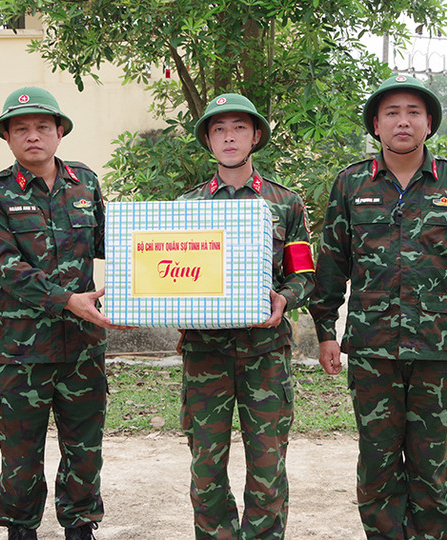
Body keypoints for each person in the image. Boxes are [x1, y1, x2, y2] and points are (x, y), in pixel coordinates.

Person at [308, 74, 447, 539]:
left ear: (429, 122)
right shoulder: (350, 183)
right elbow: (331, 262)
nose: (403, 121)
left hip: (438, 348)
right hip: (373, 350)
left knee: (431, 465)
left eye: (413, 112)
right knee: (377, 464)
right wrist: (326, 331)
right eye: (391, 113)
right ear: (376, 124)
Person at [0, 87, 115, 540]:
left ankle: (80, 527)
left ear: (58, 132)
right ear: (8, 138)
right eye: (21, 129)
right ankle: (20, 530)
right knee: (20, 454)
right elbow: (7, 268)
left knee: (85, 449)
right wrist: (69, 299)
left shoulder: (85, 183)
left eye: (42, 127)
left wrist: (148, 278)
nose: (33, 136)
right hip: (22, 353)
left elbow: (112, 244)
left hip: (82, 350)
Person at [178, 93, 315, 539]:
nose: (229, 137)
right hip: (205, 355)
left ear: (255, 135)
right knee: (205, 468)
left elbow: (304, 273)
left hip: (265, 355)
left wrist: (285, 299)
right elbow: (168, 272)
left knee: (268, 465)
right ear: (208, 141)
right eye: (219, 129)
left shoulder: (286, 204)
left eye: (239, 127)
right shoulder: (186, 206)